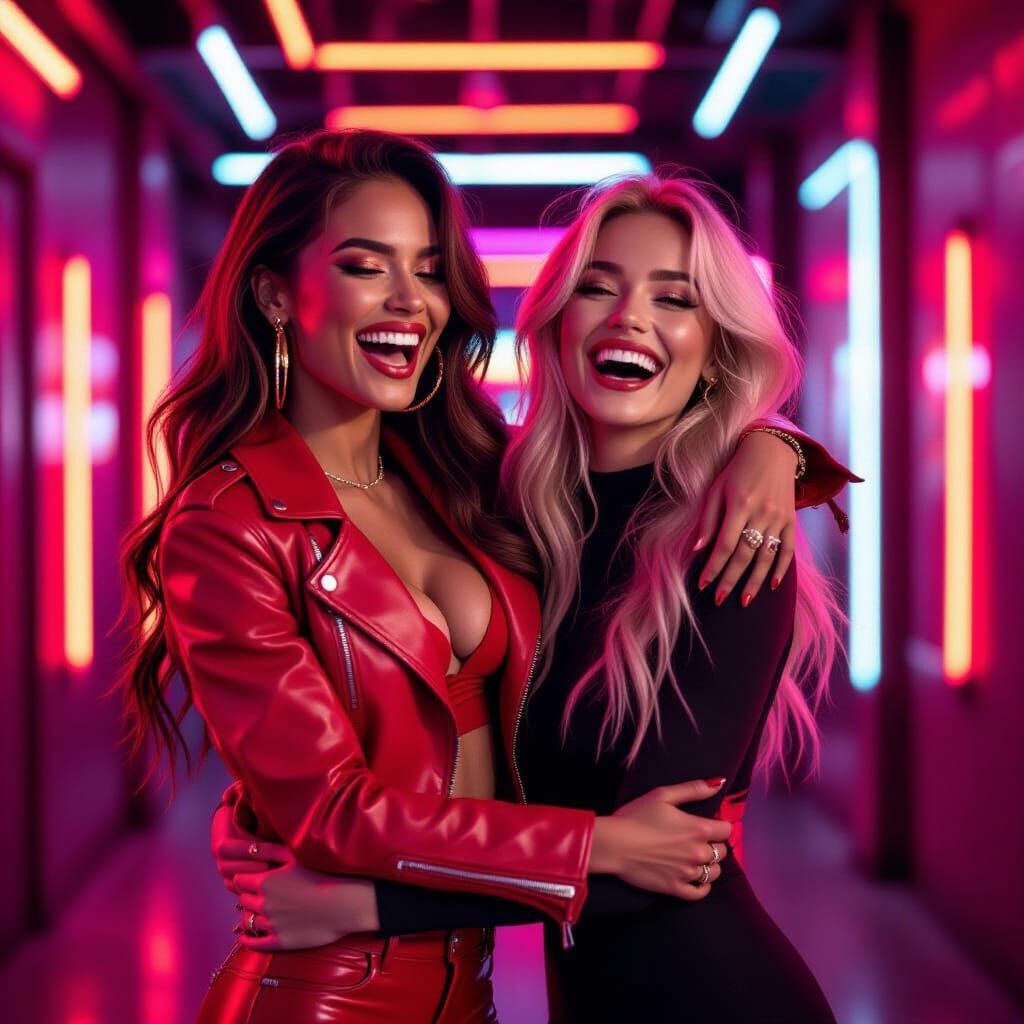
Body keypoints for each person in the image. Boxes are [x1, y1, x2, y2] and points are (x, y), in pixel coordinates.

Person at [120, 128, 850, 1022]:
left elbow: (672, 858)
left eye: (428, 269)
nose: (410, 300)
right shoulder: (246, 522)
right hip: (333, 998)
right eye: (364, 265)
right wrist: (600, 845)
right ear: (276, 294)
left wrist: (773, 447)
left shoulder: (467, 483)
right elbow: (335, 804)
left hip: (541, 990)